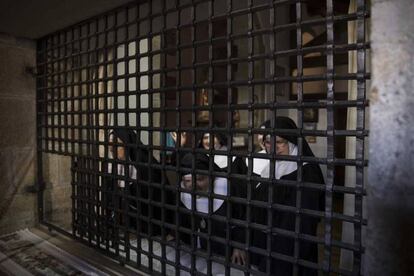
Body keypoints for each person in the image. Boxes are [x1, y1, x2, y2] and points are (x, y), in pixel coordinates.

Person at [251, 117, 325, 275]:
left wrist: (274, 258)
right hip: (264, 246)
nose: (273, 148)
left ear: (292, 142)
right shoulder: (271, 167)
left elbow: (301, 222)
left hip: (289, 251)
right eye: (268, 142)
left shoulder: (307, 173)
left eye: (279, 142)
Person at [177, 152, 247, 265]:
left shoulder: (230, 189)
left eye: (199, 179)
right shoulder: (181, 192)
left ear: (212, 177)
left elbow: (243, 219)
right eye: (188, 181)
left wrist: (239, 245)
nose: (193, 186)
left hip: (225, 254)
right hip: (197, 254)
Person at [102, 128, 163, 238]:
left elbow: (153, 197)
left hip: (145, 225)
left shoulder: (146, 166)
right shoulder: (112, 165)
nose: (112, 149)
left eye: (117, 146)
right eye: (110, 146)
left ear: (127, 145)